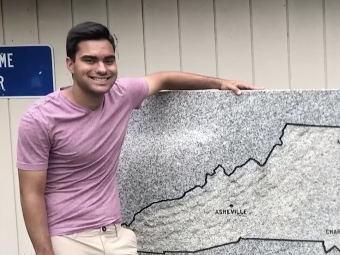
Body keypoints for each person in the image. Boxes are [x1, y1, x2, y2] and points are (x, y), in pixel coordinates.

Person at [16, 21, 263, 255]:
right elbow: (31, 194)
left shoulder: (121, 95)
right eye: (89, 60)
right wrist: (44, 252)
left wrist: (219, 83)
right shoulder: (40, 119)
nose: (101, 69)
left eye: (108, 60)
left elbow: (163, 78)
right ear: (70, 64)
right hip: (68, 240)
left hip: (115, 236)